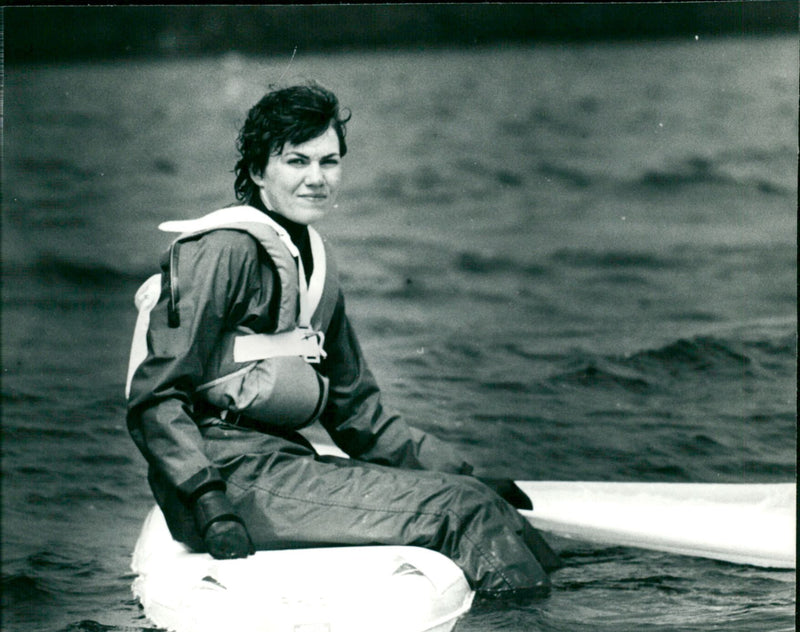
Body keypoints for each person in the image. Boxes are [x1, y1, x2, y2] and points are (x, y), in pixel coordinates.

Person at [127, 82, 560, 597]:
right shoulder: (222, 252)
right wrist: (208, 501)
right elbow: (156, 397)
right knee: (461, 514)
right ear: (259, 171)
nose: (316, 178)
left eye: (329, 162)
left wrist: (464, 473)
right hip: (224, 477)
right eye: (296, 161)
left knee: (478, 500)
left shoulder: (314, 263)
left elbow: (357, 413)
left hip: (281, 464)